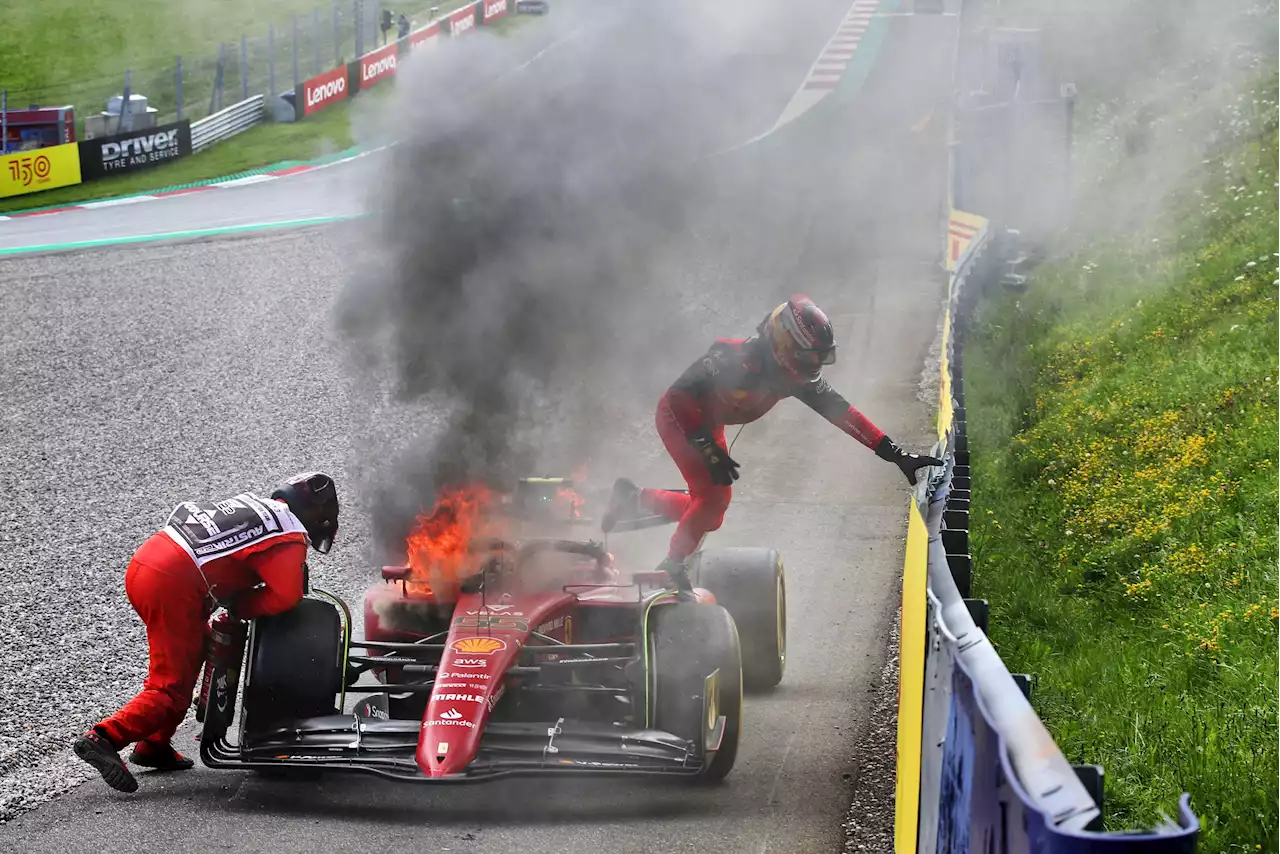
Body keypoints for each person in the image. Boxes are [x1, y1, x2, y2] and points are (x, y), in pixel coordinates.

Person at [604, 295, 943, 592]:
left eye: (821, 358)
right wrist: (706, 446)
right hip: (680, 418)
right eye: (810, 357)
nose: (815, 367)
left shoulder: (792, 374)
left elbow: (844, 414)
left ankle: (634, 498)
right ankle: (671, 566)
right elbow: (678, 397)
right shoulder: (730, 357)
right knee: (715, 497)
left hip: (710, 423)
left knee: (710, 513)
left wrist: (895, 454)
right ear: (784, 346)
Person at [72, 472, 340, 793]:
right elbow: (286, 594)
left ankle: (154, 747)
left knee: (195, 648)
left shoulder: (256, 506)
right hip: (173, 585)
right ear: (316, 515)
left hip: (145, 564)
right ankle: (104, 738)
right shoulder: (287, 534)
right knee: (170, 689)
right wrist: (242, 607)